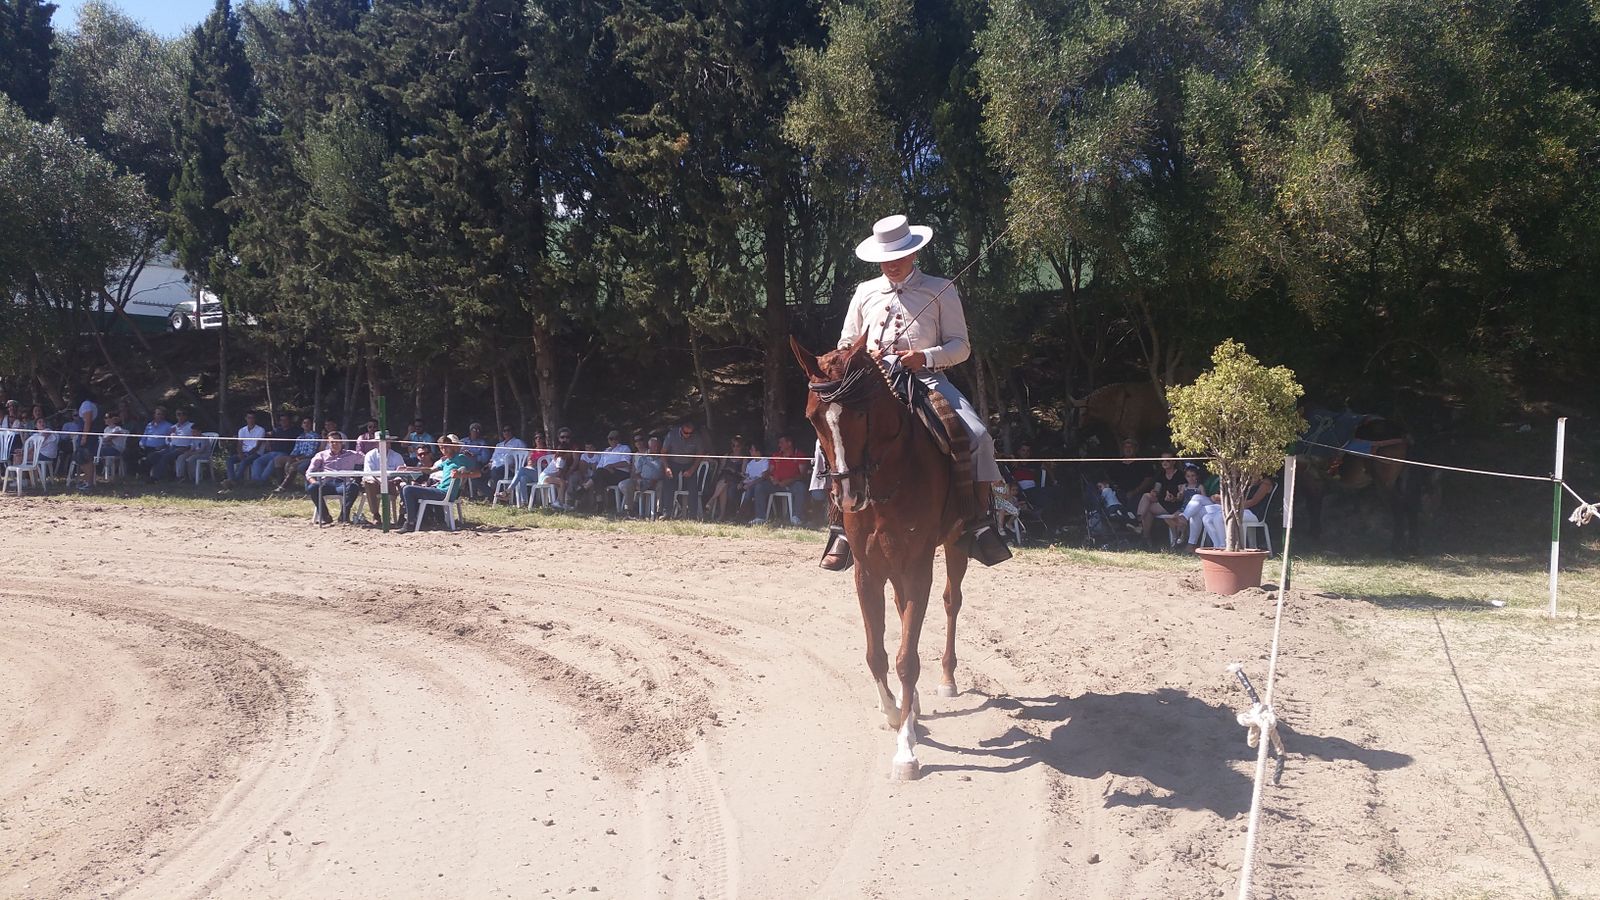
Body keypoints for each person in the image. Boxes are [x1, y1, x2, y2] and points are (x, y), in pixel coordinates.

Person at [813, 214, 1010, 570]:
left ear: (913, 253)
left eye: (898, 256)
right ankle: (840, 526)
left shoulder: (941, 288)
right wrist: (852, 357)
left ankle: (978, 522)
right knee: (828, 439)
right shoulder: (864, 292)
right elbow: (845, 341)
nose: (890, 264)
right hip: (868, 386)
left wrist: (926, 356)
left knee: (979, 436)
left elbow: (961, 346)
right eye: (884, 259)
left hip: (926, 380)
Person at [399, 434, 481, 530]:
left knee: (408, 489)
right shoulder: (446, 461)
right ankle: (420, 521)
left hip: (445, 493)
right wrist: (409, 468)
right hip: (439, 489)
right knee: (406, 488)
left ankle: (410, 522)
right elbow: (430, 470)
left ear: (451, 446)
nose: (444, 450)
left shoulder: (460, 458)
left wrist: (461, 475)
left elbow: (478, 473)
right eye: (441, 448)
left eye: (446, 447)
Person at [1202, 473, 1276, 550]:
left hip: (1254, 513)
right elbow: (1235, 498)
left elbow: (1253, 502)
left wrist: (1232, 506)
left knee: (1219, 518)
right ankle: (1217, 545)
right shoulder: (1247, 481)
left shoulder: (1265, 483)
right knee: (1207, 518)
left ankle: (1224, 546)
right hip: (1241, 510)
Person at [304, 432, 364, 524]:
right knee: (313, 488)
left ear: (342, 442)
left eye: (337, 441)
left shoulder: (352, 454)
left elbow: (367, 459)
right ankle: (325, 516)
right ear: (328, 442)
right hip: (326, 483)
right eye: (332, 442)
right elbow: (309, 472)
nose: (335, 444)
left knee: (354, 487)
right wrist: (314, 482)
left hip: (343, 484)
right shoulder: (321, 455)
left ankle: (343, 516)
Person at [751, 434, 811, 525]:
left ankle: (796, 517)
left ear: (789, 443)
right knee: (760, 487)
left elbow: (802, 475)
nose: (779, 445)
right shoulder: (776, 455)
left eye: (781, 443)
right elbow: (768, 471)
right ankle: (760, 517)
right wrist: (770, 478)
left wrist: (788, 481)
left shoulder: (799, 455)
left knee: (800, 487)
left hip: (792, 484)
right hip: (775, 484)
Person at [661, 421, 708, 518]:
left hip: (689, 463)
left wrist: (692, 469)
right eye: (686, 433)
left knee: (693, 487)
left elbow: (700, 455)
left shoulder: (696, 437)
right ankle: (667, 512)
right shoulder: (672, 435)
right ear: (681, 430)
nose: (688, 435)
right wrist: (667, 467)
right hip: (673, 462)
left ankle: (693, 515)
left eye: (690, 433)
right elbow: (663, 452)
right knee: (668, 484)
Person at [1140, 453, 1187, 548]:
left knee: (1149, 509)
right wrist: (1154, 492)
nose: (1164, 462)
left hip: (1174, 504)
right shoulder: (1161, 474)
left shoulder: (1179, 475)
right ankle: (1144, 535)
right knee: (1146, 496)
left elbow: (1181, 495)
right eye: (1162, 460)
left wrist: (1174, 498)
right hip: (1162, 501)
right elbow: (1157, 490)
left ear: (1174, 462)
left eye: (1167, 460)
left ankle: (1142, 531)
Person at [74, 411, 126, 491]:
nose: (104, 420)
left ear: (113, 419)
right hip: (105, 448)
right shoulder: (106, 429)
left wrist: (104, 440)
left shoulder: (118, 428)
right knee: (88, 453)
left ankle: (87, 476)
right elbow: (104, 440)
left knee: (89, 453)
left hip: (115, 450)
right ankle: (87, 475)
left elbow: (107, 439)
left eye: (106, 418)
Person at [583, 430, 632, 511]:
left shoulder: (624, 448)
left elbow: (626, 462)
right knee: (599, 476)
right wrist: (607, 468)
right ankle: (600, 505)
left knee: (599, 475)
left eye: (615, 438)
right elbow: (600, 466)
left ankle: (585, 488)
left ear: (618, 439)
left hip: (620, 473)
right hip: (606, 473)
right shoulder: (606, 451)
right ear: (608, 440)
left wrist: (612, 466)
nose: (613, 440)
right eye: (611, 438)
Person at [149, 408, 200, 481]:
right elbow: (168, 440)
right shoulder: (174, 427)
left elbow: (196, 438)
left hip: (183, 448)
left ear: (187, 416)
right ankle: (164, 474)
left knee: (165, 457)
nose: (181, 416)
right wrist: (169, 438)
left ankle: (155, 478)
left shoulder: (191, 426)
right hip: (171, 447)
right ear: (176, 416)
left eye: (183, 414)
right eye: (179, 414)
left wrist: (190, 447)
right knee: (153, 455)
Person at [705, 434, 748, 520]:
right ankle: (721, 515)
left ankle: (712, 500)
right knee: (725, 482)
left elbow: (743, 473)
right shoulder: (727, 455)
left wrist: (734, 471)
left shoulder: (744, 458)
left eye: (738, 446)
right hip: (724, 478)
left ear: (741, 447)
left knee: (726, 480)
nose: (735, 448)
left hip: (736, 479)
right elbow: (721, 469)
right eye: (733, 445)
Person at [622, 435, 666, 517]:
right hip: (643, 481)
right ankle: (629, 509)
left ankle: (658, 512)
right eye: (653, 446)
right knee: (628, 483)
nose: (656, 448)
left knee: (661, 484)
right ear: (649, 447)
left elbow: (665, 473)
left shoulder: (663, 459)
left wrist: (657, 479)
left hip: (656, 482)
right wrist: (638, 479)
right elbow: (637, 473)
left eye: (657, 446)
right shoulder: (643, 458)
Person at [274, 418, 323, 491]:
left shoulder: (314, 436)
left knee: (294, 466)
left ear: (311, 425)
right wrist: (290, 458)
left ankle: (283, 487)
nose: (306, 425)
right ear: (302, 425)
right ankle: (280, 482)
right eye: (304, 423)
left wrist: (297, 459)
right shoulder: (300, 437)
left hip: (309, 458)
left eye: (308, 423)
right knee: (278, 460)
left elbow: (311, 453)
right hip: (298, 457)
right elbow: (295, 451)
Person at [134, 406, 176, 479]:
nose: (160, 416)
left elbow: (170, 440)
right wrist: (141, 444)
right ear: (154, 415)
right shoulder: (149, 425)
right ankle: (132, 474)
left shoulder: (169, 426)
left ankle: (145, 474)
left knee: (151, 456)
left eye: (162, 414)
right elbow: (144, 436)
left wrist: (163, 446)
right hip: (145, 448)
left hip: (159, 448)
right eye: (158, 414)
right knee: (129, 453)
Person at [226, 412, 266, 483]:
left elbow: (257, 446)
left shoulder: (260, 430)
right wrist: (240, 453)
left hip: (256, 453)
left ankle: (235, 481)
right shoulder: (242, 430)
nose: (251, 420)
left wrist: (247, 454)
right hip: (244, 452)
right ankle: (231, 478)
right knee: (230, 460)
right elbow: (239, 444)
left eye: (252, 418)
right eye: (249, 418)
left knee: (244, 461)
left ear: (255, 419)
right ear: (246, 419)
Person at [488, 425, 527, 490]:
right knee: (480, 473)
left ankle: (499, 494)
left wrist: (516, 464)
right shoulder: (499, 445)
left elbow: (525, 456)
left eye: (508, 430)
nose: (506, 432)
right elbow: (493, 458)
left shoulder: (518, 442)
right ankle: (487, 493)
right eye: (504, 431)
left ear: (512, 431)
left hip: (509, 468)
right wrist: (488, 464)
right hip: (494, 467)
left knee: (495, 472)